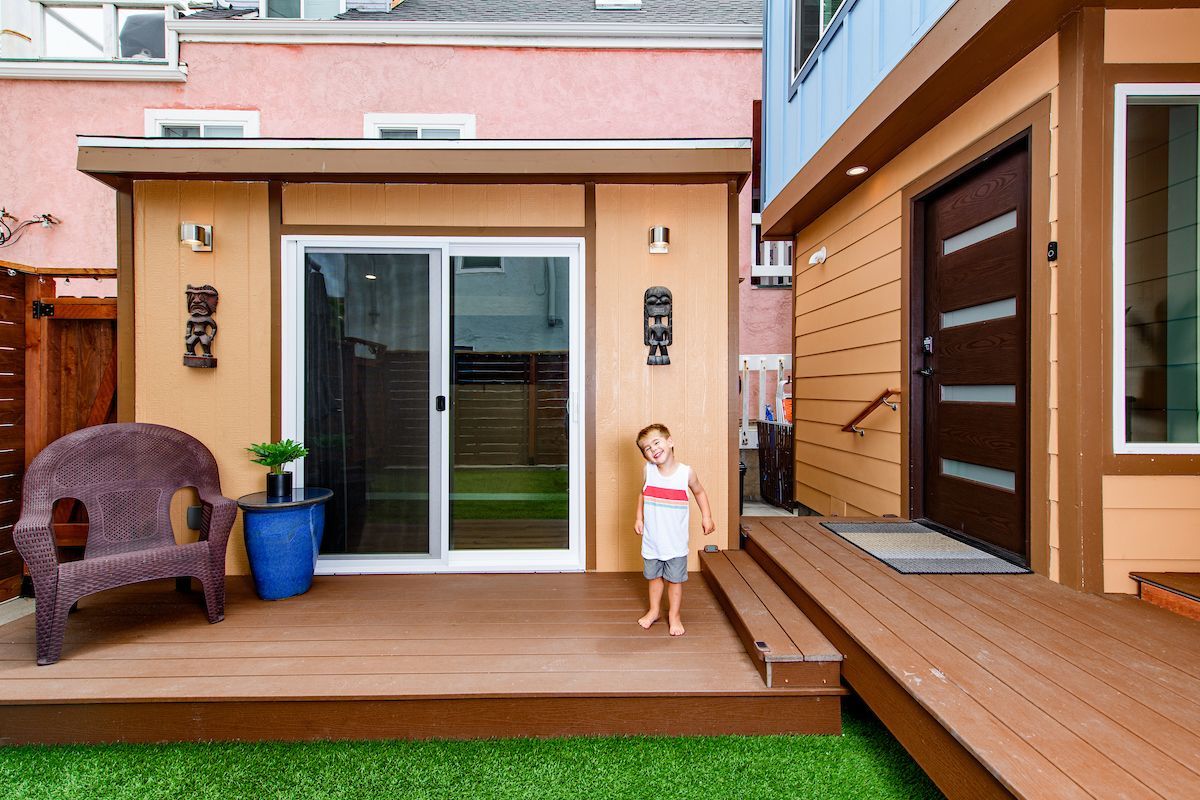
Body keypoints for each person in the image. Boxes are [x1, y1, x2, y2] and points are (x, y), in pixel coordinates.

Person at [633, 423, 715, 636]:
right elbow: (642, 494)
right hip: (652, 540)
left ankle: (675, 615)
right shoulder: (648, 471)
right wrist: (639, 517)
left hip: (675, 542)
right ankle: (654, 611)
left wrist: (707, 516)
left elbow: (699, 492)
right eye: (647, 448)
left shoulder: (685, 473)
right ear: (645, 456)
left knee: (675, 581)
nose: (653, 449)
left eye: (656, 442)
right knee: (654, 578)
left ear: (670, 441)